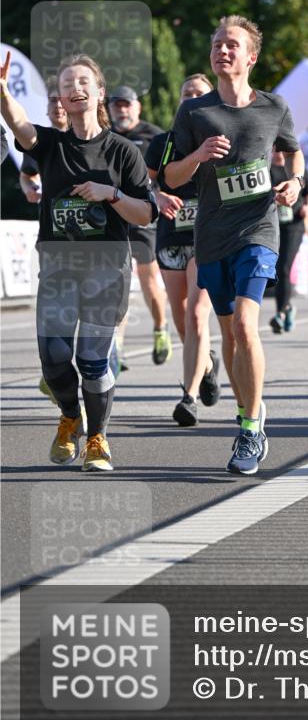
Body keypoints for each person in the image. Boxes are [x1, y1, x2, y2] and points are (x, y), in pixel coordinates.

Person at [0, 51, 157, 471]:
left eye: (83, 81)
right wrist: (1, 92)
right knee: (52, 358)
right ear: (61, 98)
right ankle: (70, 415)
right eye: (67, 84)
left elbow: (146, 213)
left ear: (99, 92)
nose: (75, 88)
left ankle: (98, 438)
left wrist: (112, 195)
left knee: (92, 359)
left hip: (107, 269)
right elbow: (19, 126)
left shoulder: (123, 151)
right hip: (57, 266)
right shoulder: (50, 144)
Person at [164, 15, 304, 475]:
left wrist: (296, 182)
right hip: (212, 236)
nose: (223, 50)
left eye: (232, 44)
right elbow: (170, 176)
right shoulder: (194, 113)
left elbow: (291, 151)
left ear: (251, 57)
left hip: (259, 229)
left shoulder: (273, 107)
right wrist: (197, 157)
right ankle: (251, 410)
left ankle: (249, 425)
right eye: (218, 44)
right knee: (228, 334)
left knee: (246, 324)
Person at [145, 74, 221, 426]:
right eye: (187, 94)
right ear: (179, 102)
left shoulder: (222, 142)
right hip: (171, 238)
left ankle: (188, 397)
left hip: (206, 239)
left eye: (200, 94)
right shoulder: (162, 144)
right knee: (180, 316)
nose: (192, 99)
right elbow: (142, 182)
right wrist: (157, 195)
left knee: (196, 315)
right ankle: (206, 364)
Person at [108, 86, 172, 366]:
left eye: (126, 105)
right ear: (109, 109)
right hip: (113, 215)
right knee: (115, 282)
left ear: (137, 108)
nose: (122, 110)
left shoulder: (154, 135)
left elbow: (169, 175)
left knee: (147, 278)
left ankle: (160, 329)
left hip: (144, 214)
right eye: (116, 105)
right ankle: (116, 347)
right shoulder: (102, 135)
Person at [269, 149, 308, 334]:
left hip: (293, 225)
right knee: (276, 267)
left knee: (284, 266)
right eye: (275, 148)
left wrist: (307, 208)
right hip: (272, 225)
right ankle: (287, 307)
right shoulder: (266, 169)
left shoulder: (297, 170)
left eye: (281, 148)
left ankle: (280, 313)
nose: (278, 152)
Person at [19, 89, 68, 203]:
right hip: (50, 214)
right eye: (53, 100)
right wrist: (30, 189)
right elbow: (26, 176)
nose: (58, 105)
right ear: (46, 109)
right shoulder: (36, 140)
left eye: (62, 100)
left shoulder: (87, 138)